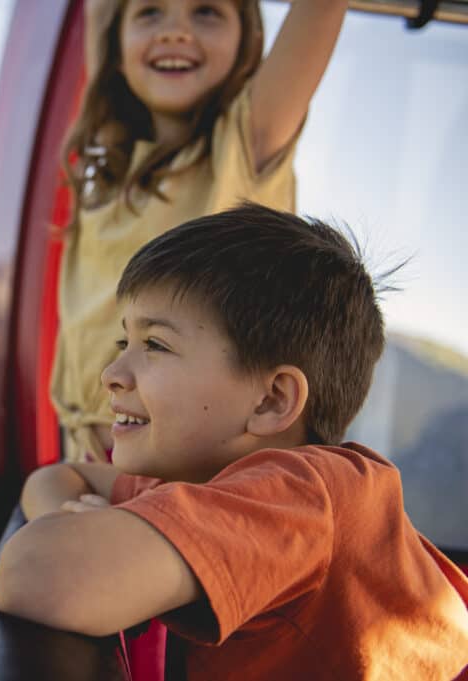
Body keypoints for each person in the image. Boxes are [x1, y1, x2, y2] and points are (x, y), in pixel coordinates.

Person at [0, 204, 468, 679]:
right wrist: (88, 524)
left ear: (270, 400)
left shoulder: (304, 494)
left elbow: (34, 574)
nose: (111, 375)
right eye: (125, 344)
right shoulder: (215, 481)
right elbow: (59, 476)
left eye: (155, 345)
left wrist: (98, 536)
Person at [52, 0, 347, 463]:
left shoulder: (243, 152)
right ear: (115, 45)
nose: (176, 31)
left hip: (186, 486)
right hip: (86, 472)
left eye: (207, 11)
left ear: (246, 41)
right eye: (149, 12)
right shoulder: (112, 165)